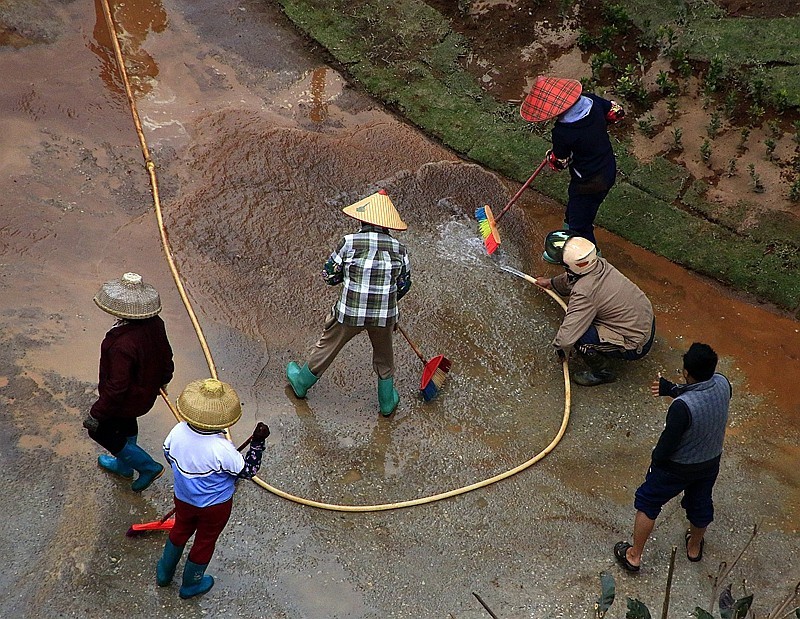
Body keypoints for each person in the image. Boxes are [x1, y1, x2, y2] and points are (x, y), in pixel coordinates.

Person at [286, 189, 412, 417]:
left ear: (362, 218)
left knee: (328, 346)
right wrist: (388, 301)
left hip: (349, 313)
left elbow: (328, 275)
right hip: (383, 316)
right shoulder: (400, 250)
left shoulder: (349, 242)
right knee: (385, 356)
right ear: (388, 225)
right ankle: (386, 401)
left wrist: (345, 277)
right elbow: (404, 285)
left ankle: (301, 383)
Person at [614, 343, 732, 572]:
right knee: (700, 504)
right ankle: (694, 548)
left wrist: (656, 462)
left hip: (677, 468)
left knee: (649, 502)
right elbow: (702, 393)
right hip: (709, 463)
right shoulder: (723, 383)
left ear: (687, 372)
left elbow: (666, 446)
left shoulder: (681, 408)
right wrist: (672, 389)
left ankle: (634, 555)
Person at [156, 378, 271, 599]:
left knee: (180, 529)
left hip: (183, 498)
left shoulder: (177, 431)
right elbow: (248, 471)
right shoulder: (222, 449)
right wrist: (257, 444)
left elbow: (168, 455)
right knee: (205, 540)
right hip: (215, 506)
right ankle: (190, 584)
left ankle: (164, 573)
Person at [82, 272, 173, 492]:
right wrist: (165, 378)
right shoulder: (156, 323)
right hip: (143, 393)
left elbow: (117, 387)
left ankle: (147, 466)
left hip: (125, 399)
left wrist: (97, 413)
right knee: (126, 424)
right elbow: (166, 355)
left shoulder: (122, 344)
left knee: (100, 430)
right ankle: (124, 465)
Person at [535, 232, 655, 386]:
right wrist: (552, 283)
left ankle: (603, 373)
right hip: (645, 322)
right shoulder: (599, 265)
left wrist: (561, 350)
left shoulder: (585, 292)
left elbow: (567, 337)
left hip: (636, 343)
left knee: (580, 338)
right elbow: (574, 276)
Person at [520, 76, 624, 250]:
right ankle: (566, 243)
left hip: (589, 180)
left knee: (580, 225)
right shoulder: (592, 101)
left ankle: (589, 261)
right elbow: (616, 113)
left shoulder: (563, 133)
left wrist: (551, 157)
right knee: (576, 211)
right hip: (607, 167)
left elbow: (560, 163)